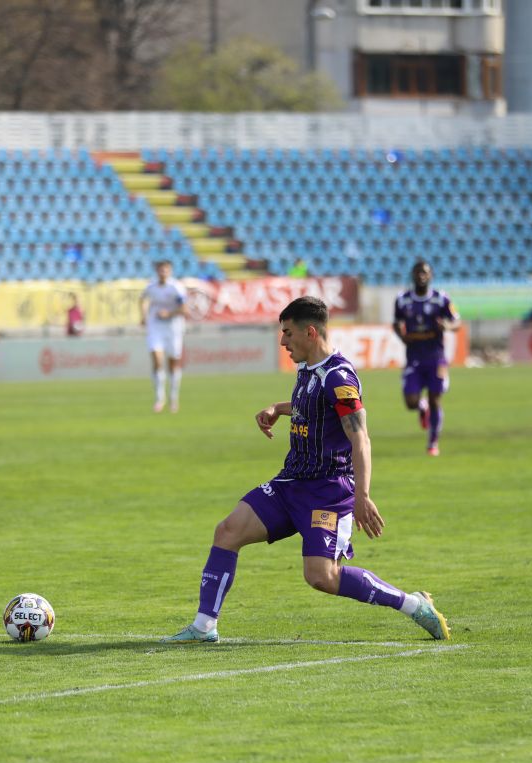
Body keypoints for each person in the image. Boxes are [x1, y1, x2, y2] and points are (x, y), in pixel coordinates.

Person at [161, 296, 450, 644]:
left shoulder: (339, 377)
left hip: (327, 492)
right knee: (227, 531)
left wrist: (362, 496)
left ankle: (414, 605)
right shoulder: (308, 368)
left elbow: (360, 438)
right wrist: (278, 408)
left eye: (287, 333)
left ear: (310, 332)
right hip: (291, 483)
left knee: (321, 577)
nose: (282, 341)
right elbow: (309, 405)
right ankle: (204, 626)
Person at [392, 260, 461, 456]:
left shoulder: (441, 298)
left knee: (435, 399)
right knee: (410, 402)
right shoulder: (402, 300)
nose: (421, 275)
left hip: (436, 358)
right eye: (418, 272)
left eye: (425, 272)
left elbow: (457, 322)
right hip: (414, 358)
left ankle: (433, 442)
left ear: (430, 275)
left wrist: (447, 326)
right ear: (413, 275)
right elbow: (396, 322)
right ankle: (422, 407)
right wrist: (401, 335)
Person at [140, 260, 186, 413]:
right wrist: (143, 316)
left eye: (166, 270)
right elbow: (142, 299)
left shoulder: (176, 288)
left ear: (170, 271)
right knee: (157, 360)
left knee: (173, 364)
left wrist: (169, 313)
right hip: (156, 327)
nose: (163, 273)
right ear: (157, 271)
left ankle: (174, 398)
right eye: (160, 270)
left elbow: (184, 309)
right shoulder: (151, 287)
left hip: (173, 328)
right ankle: (160, 398)